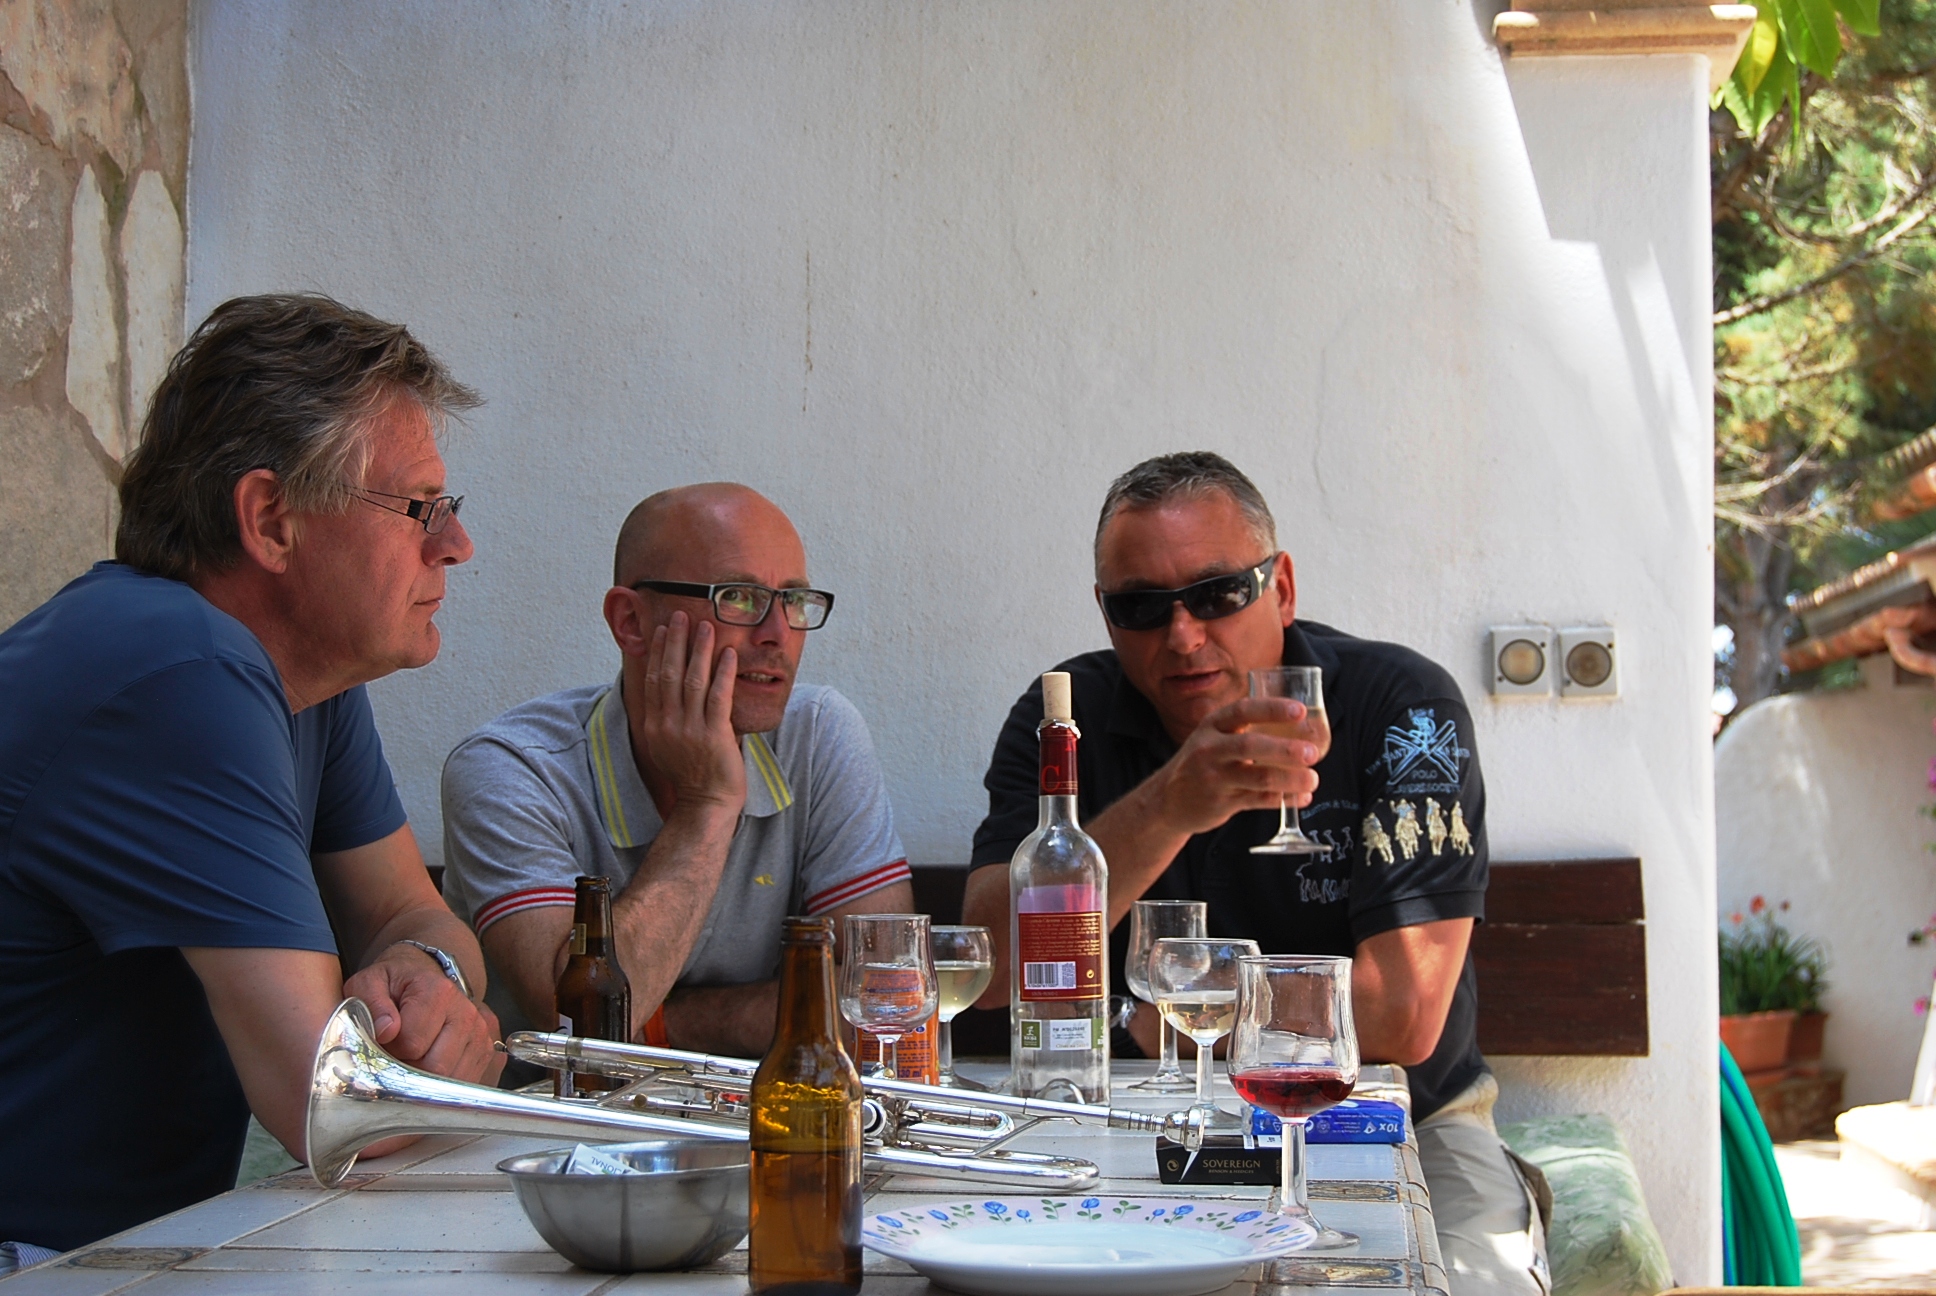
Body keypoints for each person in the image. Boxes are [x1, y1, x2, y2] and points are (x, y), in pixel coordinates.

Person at [962, 452, 1549, 1296]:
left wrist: (1162, 1017)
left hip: (1399, 1119)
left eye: (1217, 593)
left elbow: (1402, 1014)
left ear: (1283, 587)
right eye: (1141, 607)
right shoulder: (1065, 719)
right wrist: (1169, 806)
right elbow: (989, 966)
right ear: (1105, 612)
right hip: (1141, 1120)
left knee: (1475, 1283)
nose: (1183, 635)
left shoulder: (1402, 708)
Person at [0, 295, 504, 1259]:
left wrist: (428, 975)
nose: (454, 544)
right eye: (418, 508)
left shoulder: (300, 681)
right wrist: (452, 1056)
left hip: (113, 1254)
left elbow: (411, 914)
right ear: (272, 521)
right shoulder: (180, 668)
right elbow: (337, 1109)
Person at [441, 483, 914, 1058]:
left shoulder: (817, 734)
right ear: (631, 622)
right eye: (739, 598)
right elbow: (580, 1028)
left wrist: (661, 1028)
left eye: (793, 600)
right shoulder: (510, 769)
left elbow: (886, 996)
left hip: (767, 1107)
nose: (777, 634)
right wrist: (706, 806)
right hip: (560, 1114)